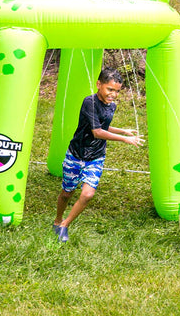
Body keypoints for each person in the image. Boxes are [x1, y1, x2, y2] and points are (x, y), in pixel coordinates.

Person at [52, 67, 144, 241]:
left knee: (87, 194)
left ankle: (64, 225)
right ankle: (57, 220)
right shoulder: (90, 102)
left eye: (117, 91)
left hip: (96, 156)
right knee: (66, 193)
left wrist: (123, 131)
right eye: (110, 89)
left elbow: (103, 126)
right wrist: (124, 139)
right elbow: (97, 132)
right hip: (76, 154)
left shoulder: (111, 105)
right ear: (99, 84)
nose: (113, 95)